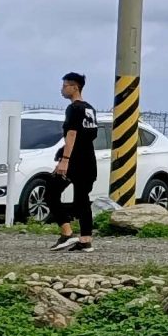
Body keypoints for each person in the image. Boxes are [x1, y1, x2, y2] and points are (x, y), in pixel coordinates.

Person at [51, 72, 98, 253]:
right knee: (82, 200)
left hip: (75, 160)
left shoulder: (74, 109)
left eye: (65, 86)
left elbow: (72, 134)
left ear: (75, 87)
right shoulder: (90, 109)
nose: (62, 89)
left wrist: (65, 160)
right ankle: (85, 240)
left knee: (51, 191)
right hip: (89, 159)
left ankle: (67, 233)